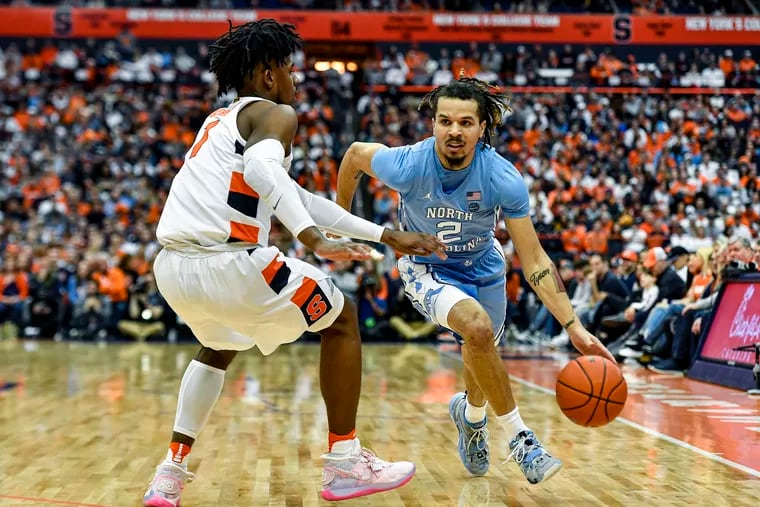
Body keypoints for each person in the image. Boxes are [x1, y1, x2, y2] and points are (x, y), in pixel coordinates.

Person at [144, 19, 446, 506]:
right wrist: (313, 241)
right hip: (231, 264)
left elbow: (295, 193)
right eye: (289, 69)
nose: (296, 80)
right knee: (342, 317)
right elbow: (268, 174)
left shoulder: (218, 122)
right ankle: (345, 463)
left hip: (175, 270)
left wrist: (384, 234)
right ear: (268, 76)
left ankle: (169, 473)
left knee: (219, 345)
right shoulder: (277, 115)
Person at [336, 75, 615, 484]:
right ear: (432, 123)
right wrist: (344, 222)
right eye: (445, 120)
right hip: (428, 266)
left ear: (483, 128)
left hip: (484, 267)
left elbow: (534, 256)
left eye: (465, 123)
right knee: (477, 328)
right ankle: (522, 441)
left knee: (480, 353)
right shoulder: (408, 163)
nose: (453, 130)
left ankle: (471, 417)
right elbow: (355, 155)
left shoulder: (502, 177)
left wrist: (573, 325)